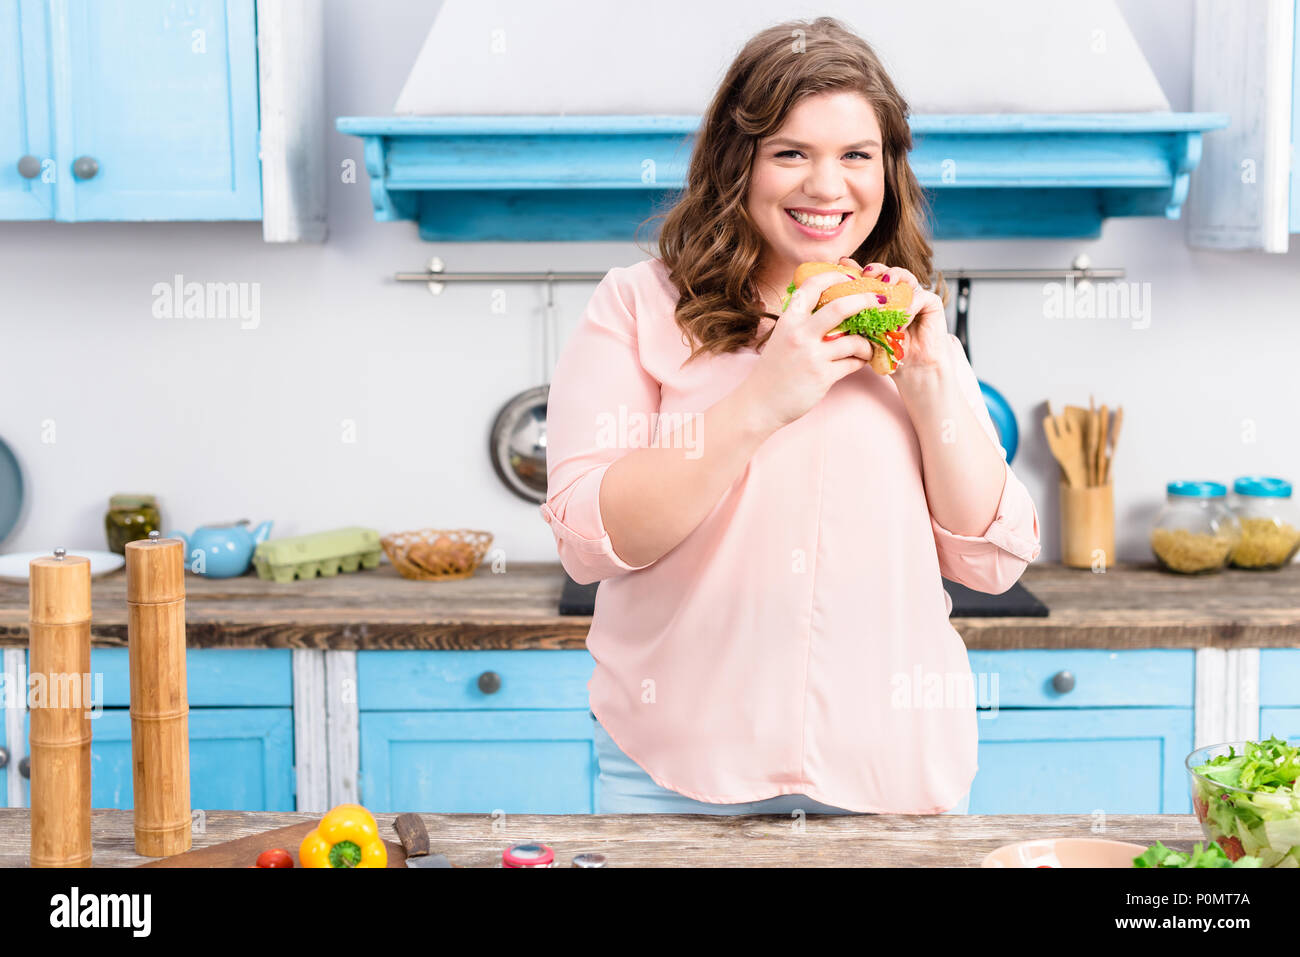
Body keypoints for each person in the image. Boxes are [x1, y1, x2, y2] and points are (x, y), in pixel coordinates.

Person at [539, 17, 1041, 815]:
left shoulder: (898, 314)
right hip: (673, 774)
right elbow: (588, 542)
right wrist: (762, 399)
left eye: (855, 155)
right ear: (738, 164)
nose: (826, 186)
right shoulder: (637, 306)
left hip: (893, 777)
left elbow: (993, 559)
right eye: (790, 153)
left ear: (888, 169)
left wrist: (934, 382)